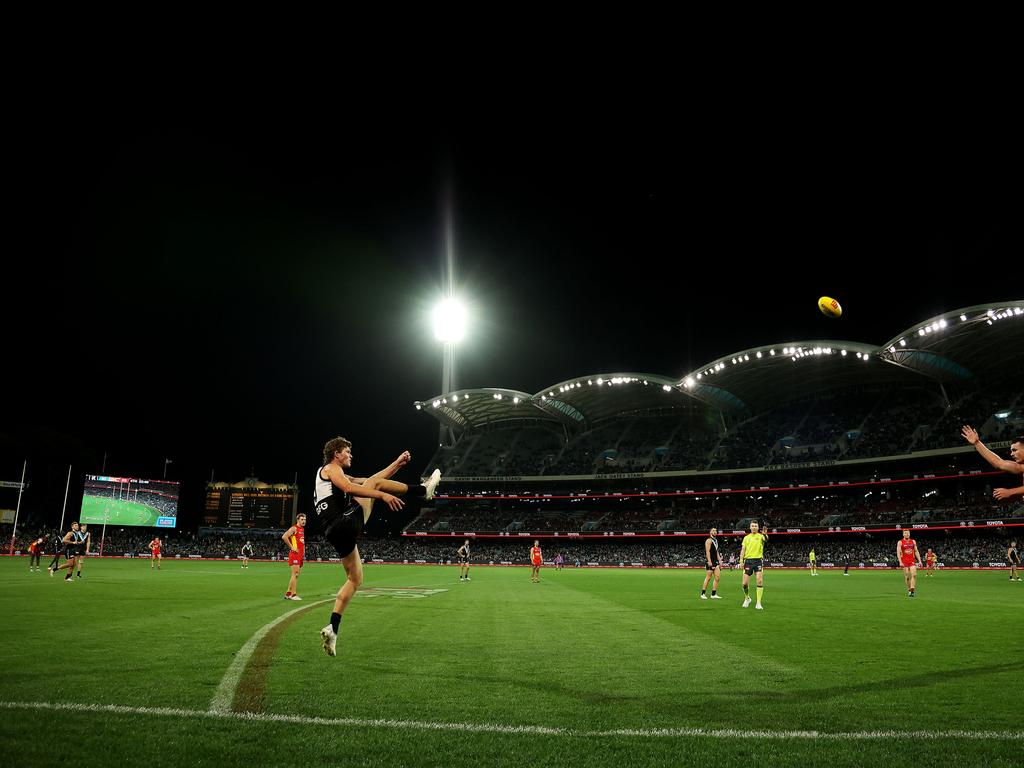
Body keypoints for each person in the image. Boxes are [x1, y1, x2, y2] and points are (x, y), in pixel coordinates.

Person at [317, 437, 441, 657]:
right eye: (347, 451)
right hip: (341, 523)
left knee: (355, 580)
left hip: (334, 533)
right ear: (336, 453)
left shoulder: (337, 474)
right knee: (375, 487)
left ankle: (332, 629)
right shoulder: (330, 468)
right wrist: (383, 495)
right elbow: (351, 487)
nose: (351, 455)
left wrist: (396, 464)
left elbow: (372, 480)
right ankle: (422, 491)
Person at [961, 427, 1024, 502]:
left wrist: (1010, 492)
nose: (1011, 454)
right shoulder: (1021, 466)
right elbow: (999, 463)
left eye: (1014, 450)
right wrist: (977, 443)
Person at [739, 521, 768, 609]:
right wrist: (741, 561)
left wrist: (765, 534)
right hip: (748, 561)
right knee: (744, 583)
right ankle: (747, 598)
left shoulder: (761, 536)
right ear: (750, 527)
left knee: (759, 580)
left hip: (758, 560)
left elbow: (766, 539)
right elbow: (743, 550)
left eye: (755, 526)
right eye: (752, 526)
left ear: (758, 527)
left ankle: (758, 603)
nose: (754, 527)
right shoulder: (746, 538)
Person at [282, 514, 306, 599]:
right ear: (298, 520)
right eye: (302, 519)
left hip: (300, 555)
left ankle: (288, 593)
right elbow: (284, 536)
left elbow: (301, 542)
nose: (304, 521)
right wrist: (292, 547)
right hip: (295, 554)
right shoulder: (294, 528)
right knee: (295, 574)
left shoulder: (302, 529)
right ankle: (293, 594)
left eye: (304, 519)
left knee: (296, 574)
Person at [897, 529, 922, 598]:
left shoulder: (913, 541)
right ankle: (909, 589)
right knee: (907, 577)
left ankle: (912, 590)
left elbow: (916, 551)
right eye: (905, 533)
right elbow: (898, 553)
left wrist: (919, 561)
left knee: (914, 575)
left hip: (912, 561)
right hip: (904, 562)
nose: (907, 534)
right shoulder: (900, 542)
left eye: (908, 533)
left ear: (909, 534)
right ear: (903, 534)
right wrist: (900, 562)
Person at [700, 527, 722, 599]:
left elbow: (716, 552)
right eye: (713, 531)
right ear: (710, 532)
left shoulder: (715, 541)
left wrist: (720, 561)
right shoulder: (708, 540)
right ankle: (703, 594)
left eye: (716, 530)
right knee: (708, 578)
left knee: (717, 578)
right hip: (710, 561)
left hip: (716, 562)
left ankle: (713, 594)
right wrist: (709, 561)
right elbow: (707, 552)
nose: (715, 532)